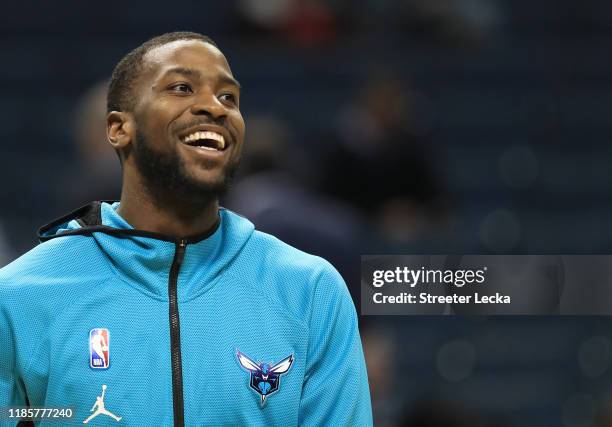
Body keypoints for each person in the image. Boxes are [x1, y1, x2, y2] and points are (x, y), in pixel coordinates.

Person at [0, 32, 372, 426]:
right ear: (119, 128)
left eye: (229, 97)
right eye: (182, 87)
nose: (215, 107)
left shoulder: (308, 291)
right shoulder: (21, 296)